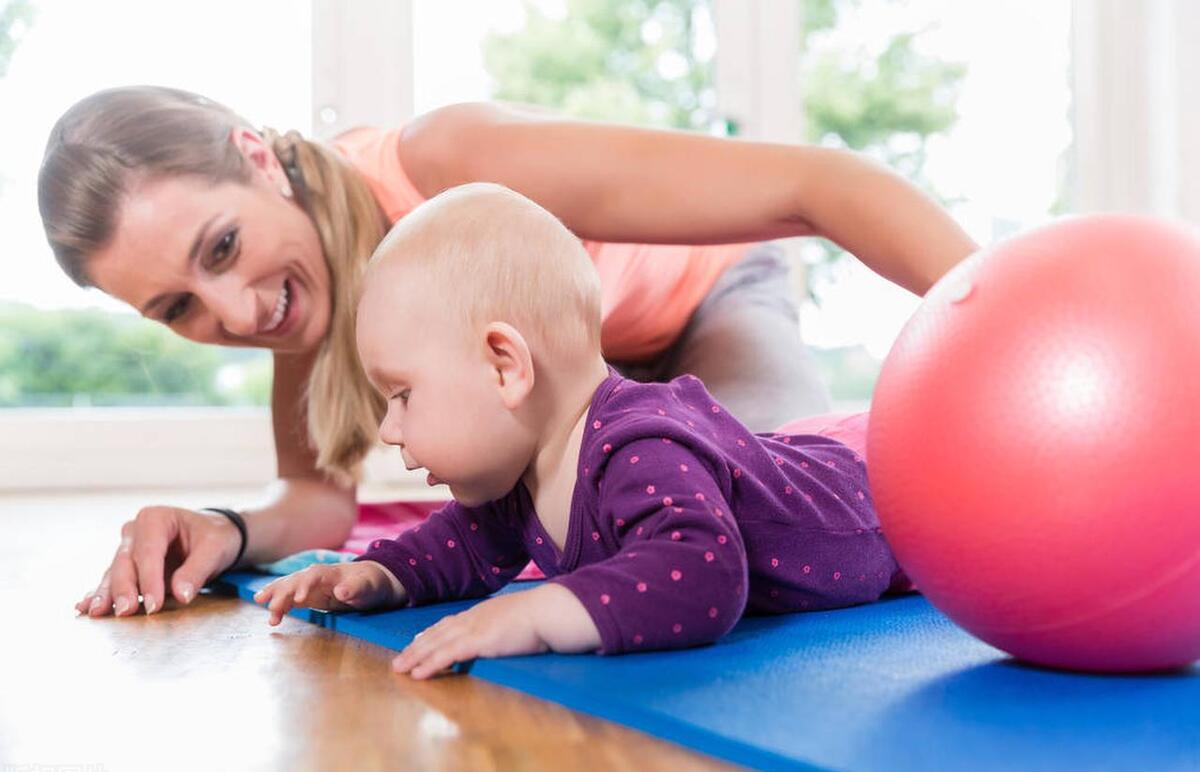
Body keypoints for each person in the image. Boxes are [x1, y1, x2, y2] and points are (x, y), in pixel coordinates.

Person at [38, 86, 973, 619]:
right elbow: (320, 504)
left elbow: (821, 182)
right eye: (178, 309)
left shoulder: (448, 157)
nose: (237, 315)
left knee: (753, 512)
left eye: (222, 249)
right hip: (579, 387)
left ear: (257, 155)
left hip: (701, 300)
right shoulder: (295, 309)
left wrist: (1005, 309)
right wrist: (226, 530)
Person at [254, 184, 907, 678]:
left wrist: (538, 614)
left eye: (401, 395)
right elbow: (458, 547)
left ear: (504, 366)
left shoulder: (639, 444)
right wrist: (372, 578)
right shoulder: (525, 471)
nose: (391, 430)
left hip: (892, 493)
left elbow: (703, 571)